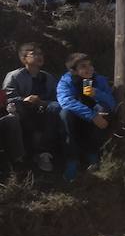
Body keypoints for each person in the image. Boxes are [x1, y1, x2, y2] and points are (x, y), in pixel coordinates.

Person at [56, 52, 117, 182]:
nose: (89, 69)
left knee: (103, 109)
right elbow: (66, 102)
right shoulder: (66, 81)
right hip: (77, 118)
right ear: (74, 70)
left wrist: (97, 94)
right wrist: (92, 116)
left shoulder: (99, 80)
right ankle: (72, 162)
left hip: (97, 120)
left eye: (90, 65)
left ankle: (93, 155)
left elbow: (112, 103)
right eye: (83, 66)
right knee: (64, 113)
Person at [3, 43, 63, 173]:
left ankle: (43, 153)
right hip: (23, 111)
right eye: (34, 54)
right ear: (24, 58)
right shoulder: (14, 76)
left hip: (44, 110)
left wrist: (43, 103)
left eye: (40, 54)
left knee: (55, 107)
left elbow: (57, 97)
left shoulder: (47, 77)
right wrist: (24, 99)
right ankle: (24, 158)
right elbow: (8, 98)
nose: (39, 56)